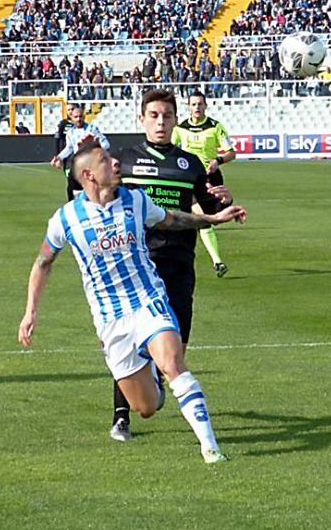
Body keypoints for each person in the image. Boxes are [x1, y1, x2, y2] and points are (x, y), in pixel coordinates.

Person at [18, 137, 247, 464]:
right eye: (104, 161)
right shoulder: (65, 220)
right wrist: (31, 312)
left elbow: (171, 219)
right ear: (88, 177)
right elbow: (43, 263)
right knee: (147, 407)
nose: (115, 163)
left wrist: (213, 219)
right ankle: (151, 378)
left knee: (174, 364)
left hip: (149, 300)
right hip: (111, 319)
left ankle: (210, 448)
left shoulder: (136, 201)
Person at [108, 88, 234, 443]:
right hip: (135, 263)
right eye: (154, 116)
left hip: (179, 260)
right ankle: (120, 416)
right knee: (129, 340)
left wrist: (224, 199)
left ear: (175, 119)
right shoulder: (124, 161)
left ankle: (158, 378)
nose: (160, 122)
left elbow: (208, 207)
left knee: (177, 336)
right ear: (142, 119)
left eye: (166, 116)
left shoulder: (189, 164)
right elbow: (96, 194)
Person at [172, 89, 237, 277]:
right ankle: (217, 261)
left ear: (205, 106)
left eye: (200, 104)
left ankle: (213, 259)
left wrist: (218, 160)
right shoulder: (180, 128)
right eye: (193, 104)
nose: (197, 108)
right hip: (190, 178)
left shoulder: (216, 127)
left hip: (211, 178)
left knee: (208, 218)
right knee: (201, 218)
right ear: (188, 107)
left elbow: (231, 152)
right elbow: (170, 148)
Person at [50, 104, 109, 201]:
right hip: (78, 164)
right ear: (71, 118)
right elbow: (69, 148)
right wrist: (59, 157)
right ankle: (73, 208)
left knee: (92, 190)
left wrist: (96, 147)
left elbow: (106, 144)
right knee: (71, 189)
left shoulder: (92, 129)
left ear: (84, 117)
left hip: (91, 165)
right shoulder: (71, 133)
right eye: (76, 117)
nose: (78, 119)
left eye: (80, 116)